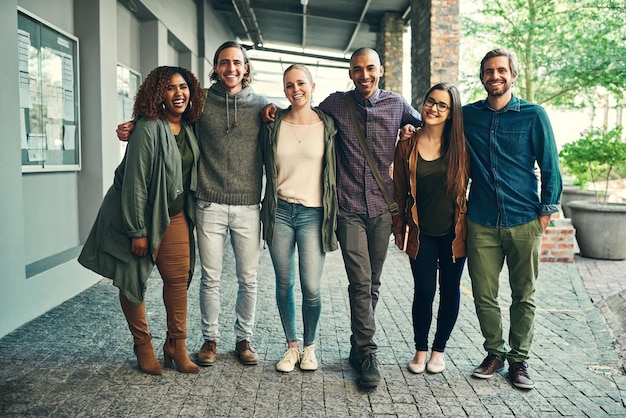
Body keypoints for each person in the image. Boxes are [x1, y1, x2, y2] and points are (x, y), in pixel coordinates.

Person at [265, 47, 422, 387]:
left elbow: (433, 128)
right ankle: (367, 352)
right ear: (349, 73)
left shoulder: (397, 105)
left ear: (380, 71)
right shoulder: (336, 104)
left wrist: (411, 138)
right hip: (348, 208)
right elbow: (301, 113)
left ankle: (356, 344)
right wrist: (270, 111)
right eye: (357, 69)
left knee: (373, 282)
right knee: (360, 281)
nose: (364, 75)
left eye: (370, 69)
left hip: (383, 209)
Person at [116, 41, 268, 367]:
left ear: (245, 67)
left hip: (247, 205)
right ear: (215, 68)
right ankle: (208, 340)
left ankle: (244, 339)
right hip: (208, 204)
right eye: (224, 63)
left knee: (248, 279)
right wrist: (135, 125)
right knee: (208, 278)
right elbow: (163, 123)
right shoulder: (201, 106)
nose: (231, 68)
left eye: (237, 63)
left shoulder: (262, 107)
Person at [79, 66, 205, 375]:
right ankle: (143, 344)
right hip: (140, 219)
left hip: (175, 216)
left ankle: (177, 345)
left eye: (184, 87)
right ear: (158, 94)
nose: (179, 93)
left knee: (178, 283)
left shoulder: (190, 127)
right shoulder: (148, 128)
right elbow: (134, 184)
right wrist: (137, 231)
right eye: (171, 88)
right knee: (133, 282)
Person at [463, 48, 562, 389]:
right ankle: (494, 353)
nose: (495, 76)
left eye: (501, 70)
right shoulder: (468, 117)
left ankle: (519, 361)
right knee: (483, 294)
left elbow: (551, 167)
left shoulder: (534, 115)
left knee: (524, 294)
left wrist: (545, 216)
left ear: (513, 75)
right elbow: (434, 125)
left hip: (524, 219)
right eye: (489, 71)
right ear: (482, 77)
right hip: (481, 220)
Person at [259, 64, 338, 373]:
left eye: (301, 83)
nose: (296, 89)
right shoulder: (273, 123)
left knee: (311, 287)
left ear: (312, 86)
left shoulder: (328, 125)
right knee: (284, 283)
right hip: (280, 211)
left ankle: (310, 347)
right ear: (284, 90)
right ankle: (292, 346)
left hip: (313, 213)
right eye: (289, 85)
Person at [393, 83, 469, 375]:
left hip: (455, 233)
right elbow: (400, 191)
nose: (433, 109)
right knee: (424, 291)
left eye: (442, 105)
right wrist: (399, 228)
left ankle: (439, 350)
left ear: (451, 113)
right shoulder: (407, 144)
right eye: (430, 102)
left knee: (450, 290)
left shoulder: (461, 146)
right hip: (421, 232)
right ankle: (420, 349)